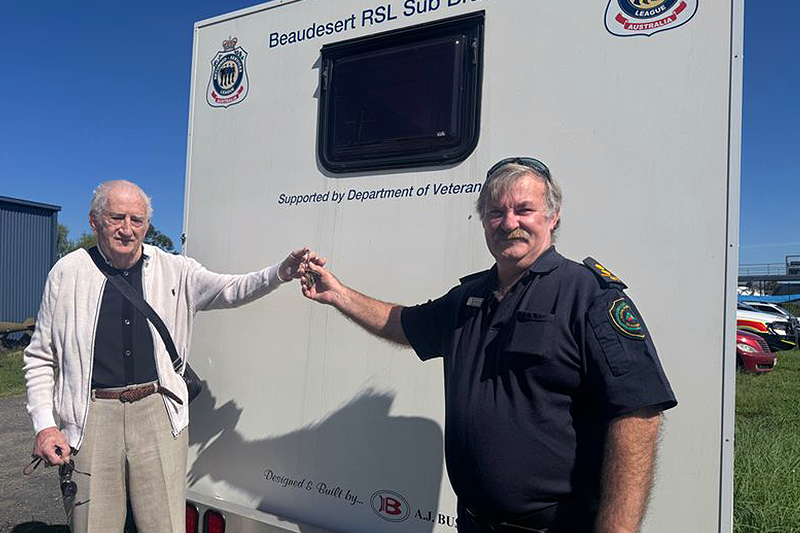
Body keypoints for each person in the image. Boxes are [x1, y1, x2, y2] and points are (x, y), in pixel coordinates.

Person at [301, 157, 677, 533]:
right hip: (475, 523)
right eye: (496, 212)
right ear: (484, 221)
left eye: (523, 210)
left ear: (553, 216)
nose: (509, 223)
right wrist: (338, 295)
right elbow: (403, 323)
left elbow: (639, 413)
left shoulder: (587, 295)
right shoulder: (468, 298)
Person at [23, 179, 317, 533]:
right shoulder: (67, 273)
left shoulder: (175, 269)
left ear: (148, 225)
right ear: (94, 221)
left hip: (159, 412)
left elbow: (232, 289)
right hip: (91, 416)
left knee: (166, 525)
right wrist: (45, 424)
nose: (128, 230)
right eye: (117, 217)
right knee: (92, 526)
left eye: (137, 220)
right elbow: (40, 356)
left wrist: (280, 273)